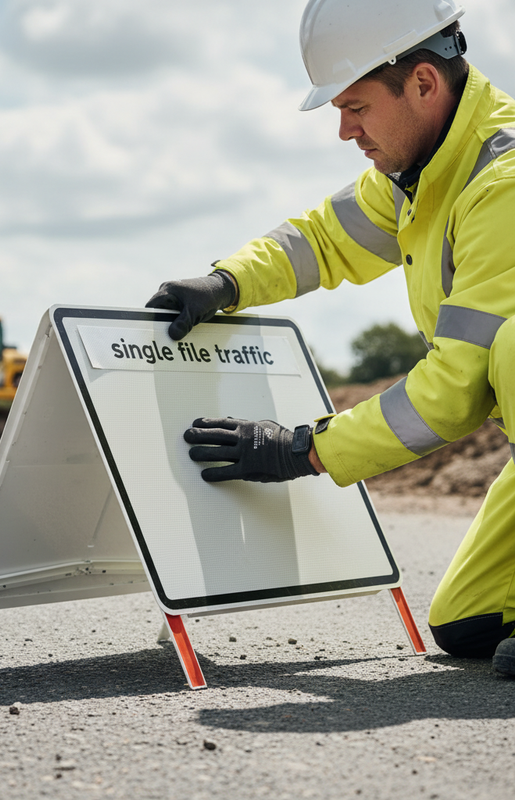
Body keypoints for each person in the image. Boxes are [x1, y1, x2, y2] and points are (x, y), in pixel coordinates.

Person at [146, 0, 515, 677]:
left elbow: (456, 390)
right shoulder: (424, 175)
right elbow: (321, 240)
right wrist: (226, 283)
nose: (345, 131)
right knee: (469, 623)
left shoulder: (504, 183)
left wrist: (303, 448)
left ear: (424, 84)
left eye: (356, 106)